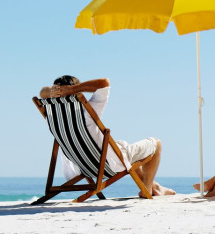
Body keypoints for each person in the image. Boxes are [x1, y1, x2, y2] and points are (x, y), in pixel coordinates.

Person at [39, 75, 175, 197]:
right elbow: (104, 82)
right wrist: (72, 89)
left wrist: (52, 91)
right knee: (156, 143)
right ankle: (147, 188)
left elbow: (42, 93)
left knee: (122, 146)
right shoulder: (88, 109)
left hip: (82, 167)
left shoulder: (52, 114)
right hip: (107, 165)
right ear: (76, 92)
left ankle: (156, 186)